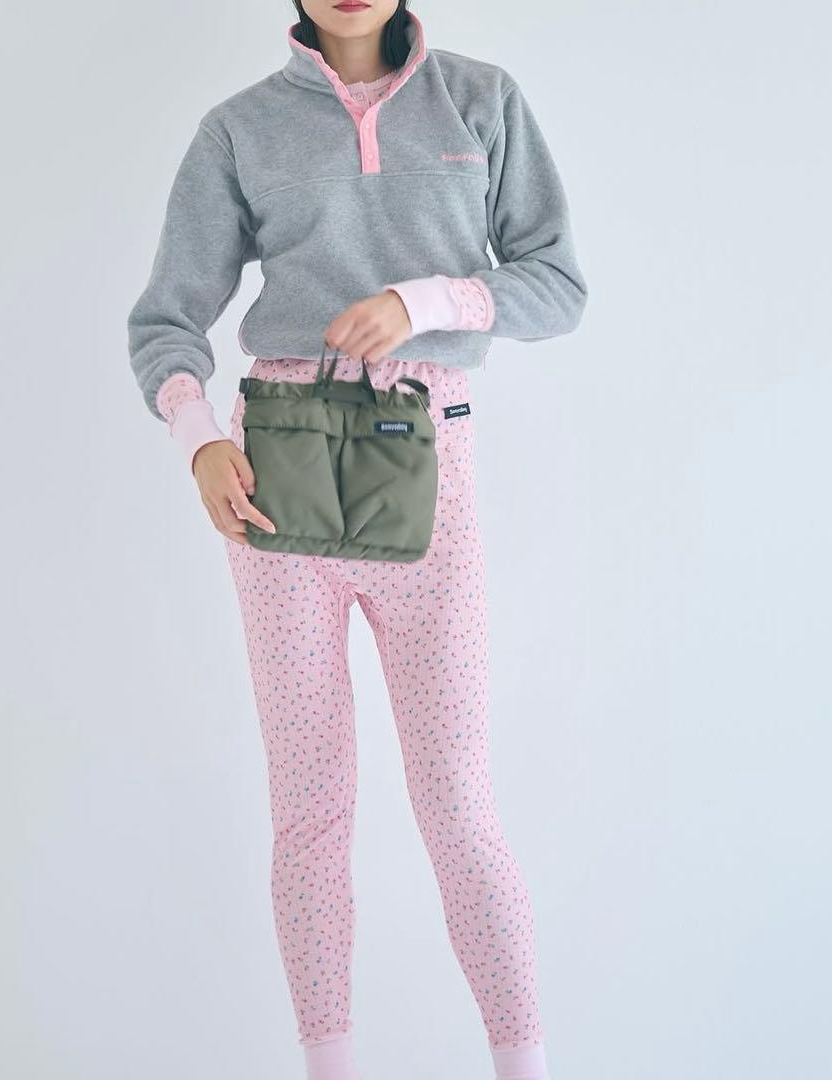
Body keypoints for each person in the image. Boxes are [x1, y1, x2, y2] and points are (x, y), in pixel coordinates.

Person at [126, 3, 588, 1078]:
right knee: (310, 810)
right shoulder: (239, 129)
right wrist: (199, 442)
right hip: (276, 485)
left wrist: (419, 301)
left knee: (459, 803)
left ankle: (524, 1065)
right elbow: (166, 320)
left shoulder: (480, 102)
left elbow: (558, 285)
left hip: (429, 469)